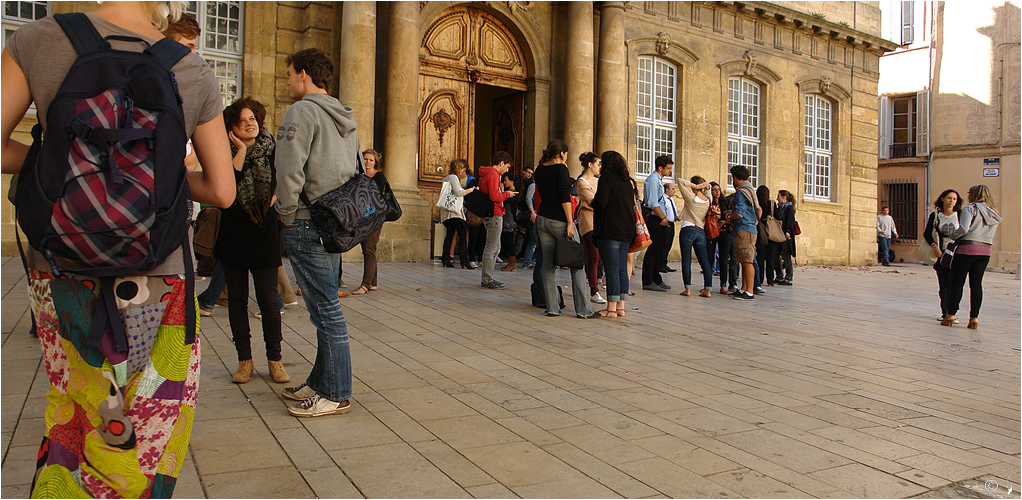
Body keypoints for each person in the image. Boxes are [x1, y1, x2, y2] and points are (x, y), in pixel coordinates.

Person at [2, 2, 235, 497]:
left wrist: (57, 164)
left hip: (62, 269)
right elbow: (222, 191)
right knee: (152, 425)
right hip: (159, 275)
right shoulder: (190, 67)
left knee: (76, 410)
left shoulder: (38, 39)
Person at [274, 48, 359, 418]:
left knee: (326, 310)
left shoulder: (302, 111)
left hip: (307, 219)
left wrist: (285, 213)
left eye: (290, 73)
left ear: (305, 74)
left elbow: (289, 168)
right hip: (333, 220)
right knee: (325, 306)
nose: (288, 80)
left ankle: (337, 393)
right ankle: (320, 382)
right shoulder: (345, 117)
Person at [217, 97, 288, 384]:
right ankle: (244, 361)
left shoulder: (273, 150)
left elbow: (285, 178)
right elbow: (227, 186)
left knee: (269, 301)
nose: (250, 123)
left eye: (253, 119)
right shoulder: (223, 151)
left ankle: (275, 359)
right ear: (232, 127)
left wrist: (278, 193)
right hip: (233, 234)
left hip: (264, 233)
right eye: (243, 120)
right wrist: (241, 150)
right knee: (236, 301)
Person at [534, 140, 598, 319]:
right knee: (577, 264)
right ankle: (583, 310)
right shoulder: (560, 169)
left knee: (547, 265)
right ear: (561, 153)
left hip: (543, 219)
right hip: (559, 220)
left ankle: (552, 307)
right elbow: (565, 198)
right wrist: (570, 222)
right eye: (566, 154)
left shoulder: (540, 169)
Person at [941, 185, 1001, 329]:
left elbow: (964, 229)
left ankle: (950, 314)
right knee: (976, 284)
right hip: (985, 251)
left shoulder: (970, 209)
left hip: (967, 249)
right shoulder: (993, 212)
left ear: (973, 194)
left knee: (957, 282)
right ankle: (974, 318)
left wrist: (952, 235)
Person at [592, 151, 635, 318]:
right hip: (626, 230)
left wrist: (592, 201)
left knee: (611, 269)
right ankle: (620, 308)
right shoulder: (627, 182)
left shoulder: (606, 180)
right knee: (622, 269)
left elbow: (601, 203)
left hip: (610, 229)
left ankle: (610, 309)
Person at [478, 152, 517, 289]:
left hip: (489, 213)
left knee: (495, 247)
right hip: (494, 213)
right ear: (501, 163)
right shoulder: (494, 174)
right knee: (492, 247)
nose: (507, 170)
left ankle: (488, 277)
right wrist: (507, 194)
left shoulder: (486, 174)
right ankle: (487, 279)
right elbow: (494, 196)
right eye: (507, 167)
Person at [352, 148, 387, 295]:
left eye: (370, 160)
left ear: (375, 162)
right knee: (369, 249)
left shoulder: (378, 176)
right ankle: (373, 283)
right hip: (362, 216)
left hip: (375, 216)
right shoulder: (358, 175)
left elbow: (374, 195)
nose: (367, 162)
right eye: (365, 159)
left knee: (368, 249)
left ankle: (365, 285)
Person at [924, 189, 962, 322]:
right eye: (949, 198)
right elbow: (927, 234)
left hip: (956, 254)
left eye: (954, 199)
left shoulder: (960, 215)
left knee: (954, 283)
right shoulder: (935, 216)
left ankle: (952, 312)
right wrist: (935, 247)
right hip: (941, 254)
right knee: (944, 284)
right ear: (943, 199)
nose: (951, 201)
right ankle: (944, 311)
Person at [675, 176, 714, 297]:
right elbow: (710, 188)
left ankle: (687, 289)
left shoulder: (691, 198)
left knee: (686, 260)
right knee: (704, 260)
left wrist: (696, 187)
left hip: (688, 228)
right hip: (700, 230)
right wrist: (706, 186)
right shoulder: (708, 200)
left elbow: (680, 182)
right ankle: (708, 289)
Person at [576, 152, 606, 304]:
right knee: (594, 255)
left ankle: (587, 276)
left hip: (600, 221)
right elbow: (593, 202)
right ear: (590, 164)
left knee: (599, 256)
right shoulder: (582, 182)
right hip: (589, 221)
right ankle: (594, 290)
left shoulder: (599, 181)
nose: (600, 167)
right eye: (598, 163)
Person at [641, 156, 674, 292]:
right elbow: (653, 203)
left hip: (659, 217)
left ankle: (656, 277)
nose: (670, 171)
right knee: (654, 249)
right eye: (668, 168)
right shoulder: (653, 180)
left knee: (659, 248)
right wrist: (663, 218)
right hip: (655, 218)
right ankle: (648, 279)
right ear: (660, 167)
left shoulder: (658, 180)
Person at [729, 166, 761, 300]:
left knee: (747, 261)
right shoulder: (750, 189)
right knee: (743, 260)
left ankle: (749, 291)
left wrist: (729, 216)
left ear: (736, 177)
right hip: (749, 228)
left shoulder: (742, 192)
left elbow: (739, 213)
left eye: (733, 177)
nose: (732, 180)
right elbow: (758, 209)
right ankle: (744, 288)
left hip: (744, 229)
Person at [441, 159, 477, 268]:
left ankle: (445, 259)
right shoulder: (454, 178)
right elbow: (459, 192)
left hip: (447, 211)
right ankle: (464, 261)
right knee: (463, 233)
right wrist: (472, 189)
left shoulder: (446, 178)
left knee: (450, 234)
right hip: (455, 212)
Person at [706, 182, 733, 295]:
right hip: (712, 232)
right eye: (714, 189)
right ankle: (707, 285)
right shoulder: (708, 202)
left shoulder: (724, 202)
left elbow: (730, 216)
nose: (717, 191)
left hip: (724, 232)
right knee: (709, 259)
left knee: (723, 259)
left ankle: (723, 285)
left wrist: (724, 221)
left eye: (718, 189)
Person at [756, 185, 781, 289]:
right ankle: (770, 280)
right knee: (770, 257)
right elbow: (778, 217)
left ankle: (760, 280)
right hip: (771, 232)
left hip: (760, 232)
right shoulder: (772, 204)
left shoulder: (757, 204)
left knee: (760, 257)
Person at [499, 172, 524, 271]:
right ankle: (511, 263)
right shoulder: (509, 192)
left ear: (511, 181)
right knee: (508, 242)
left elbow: (505, 202)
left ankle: (512, 263)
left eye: (506, 180)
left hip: (510, 221)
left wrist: (502, 192)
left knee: (510, 242)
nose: (504, 182)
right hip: (507, 220)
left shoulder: (513, 193)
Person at [775, 190, 797, 285]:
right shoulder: (779, 208)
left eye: (779, 196)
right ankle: (779, 275)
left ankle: (788, 277)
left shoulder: (789, 208)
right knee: (776, 255)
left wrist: (787, 231)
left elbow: (791, 221)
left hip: (786, 235)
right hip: (779, 233)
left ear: (784, 197)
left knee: (786, 256)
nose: (777, 199)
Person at [660, 183, 680, 273]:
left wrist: (677, 216)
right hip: (666, 224)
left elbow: (673, 211)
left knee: (669, 245)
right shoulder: (663, 199)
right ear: (666, 190)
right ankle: (660, 265)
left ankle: (665, 263)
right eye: (672, 189)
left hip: (672, 223)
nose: (674, 190)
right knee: (664, 244)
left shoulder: (671, 200)